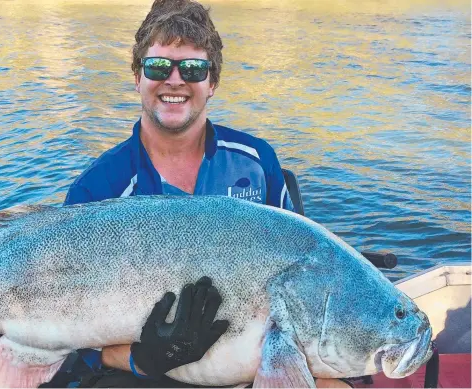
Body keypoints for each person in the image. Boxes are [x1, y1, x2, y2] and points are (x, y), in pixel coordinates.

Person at [59, 0, 351, 387]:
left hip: (250, 366)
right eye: (158, 67)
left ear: (212, 83)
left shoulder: (256, 162)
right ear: (137, 77)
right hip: (141, 375)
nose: (175, 80)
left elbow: (304, 278)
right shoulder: (98, 189)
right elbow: (61, 322)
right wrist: (144, 359)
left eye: (194, 69)